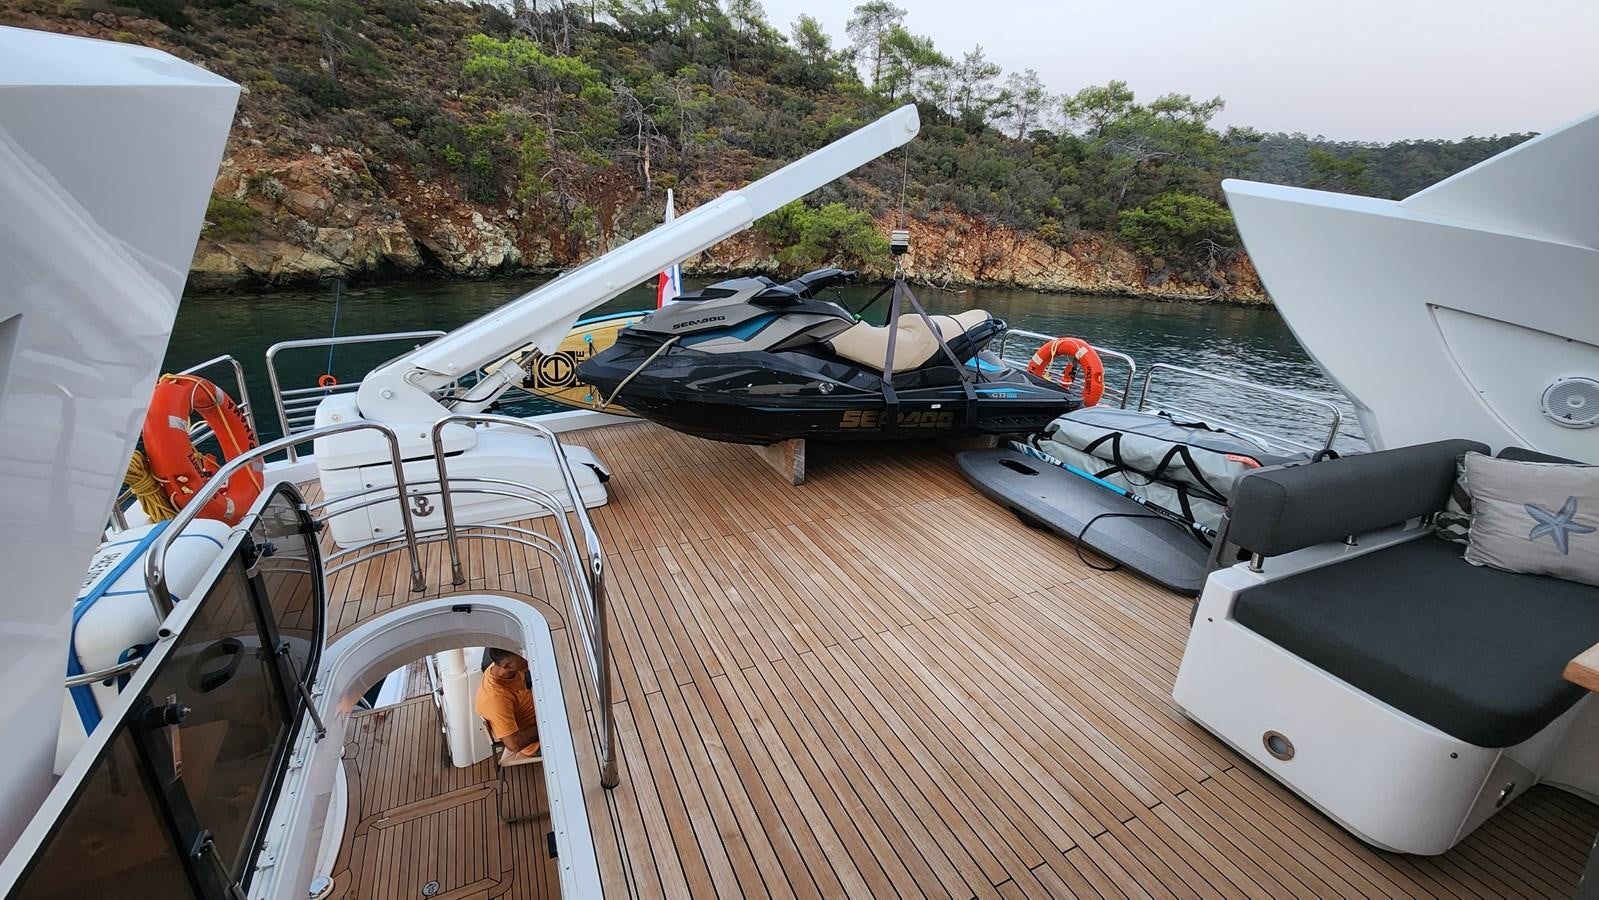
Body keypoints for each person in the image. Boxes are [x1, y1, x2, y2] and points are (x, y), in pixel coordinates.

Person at [476, 648, 540, 758]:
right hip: (536, 743)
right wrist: (546, 724)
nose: (528, 657)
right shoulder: (496, 699)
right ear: (508, 666)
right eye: (522, 657)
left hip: (540, 707)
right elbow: (514, 744)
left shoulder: (506, 669)